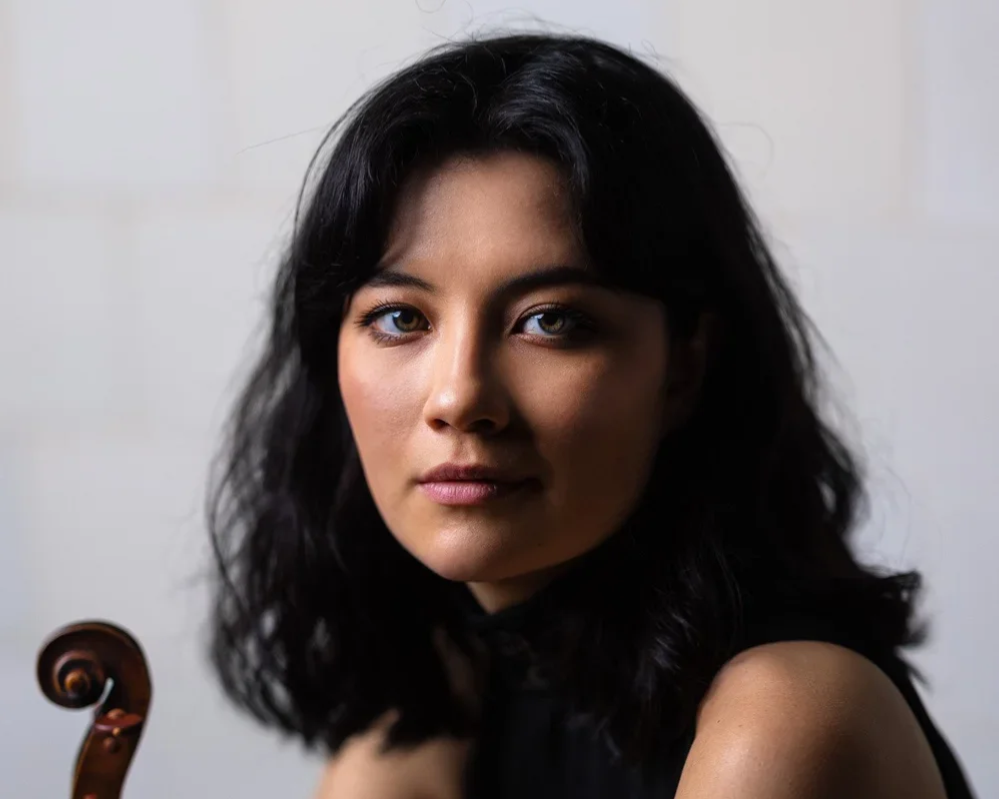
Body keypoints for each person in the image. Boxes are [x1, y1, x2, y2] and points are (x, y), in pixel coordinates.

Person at [205, 32, 977, 799]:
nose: (459, 397)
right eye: (401, 317)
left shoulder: (780, 721)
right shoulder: (441, 707)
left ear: (683, 365)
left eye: (550, 321)